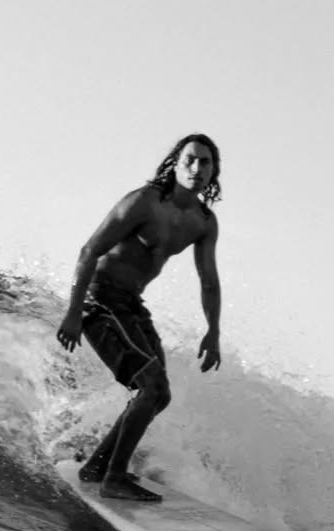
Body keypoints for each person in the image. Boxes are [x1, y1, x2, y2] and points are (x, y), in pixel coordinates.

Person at [56, 134, 222, 502]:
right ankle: (114, 479)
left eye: (205, 162)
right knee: (148, 388)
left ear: (214, 170)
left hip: (131, 304)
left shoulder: (203, 222)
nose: (196, 168)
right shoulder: (144, 202)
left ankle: (98, 468)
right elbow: (89, 251)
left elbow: (209, 282)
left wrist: (213, 332)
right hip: (99, 299)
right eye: (190, 159)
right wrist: (73, 312)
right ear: (175, 164)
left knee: (160, 395)